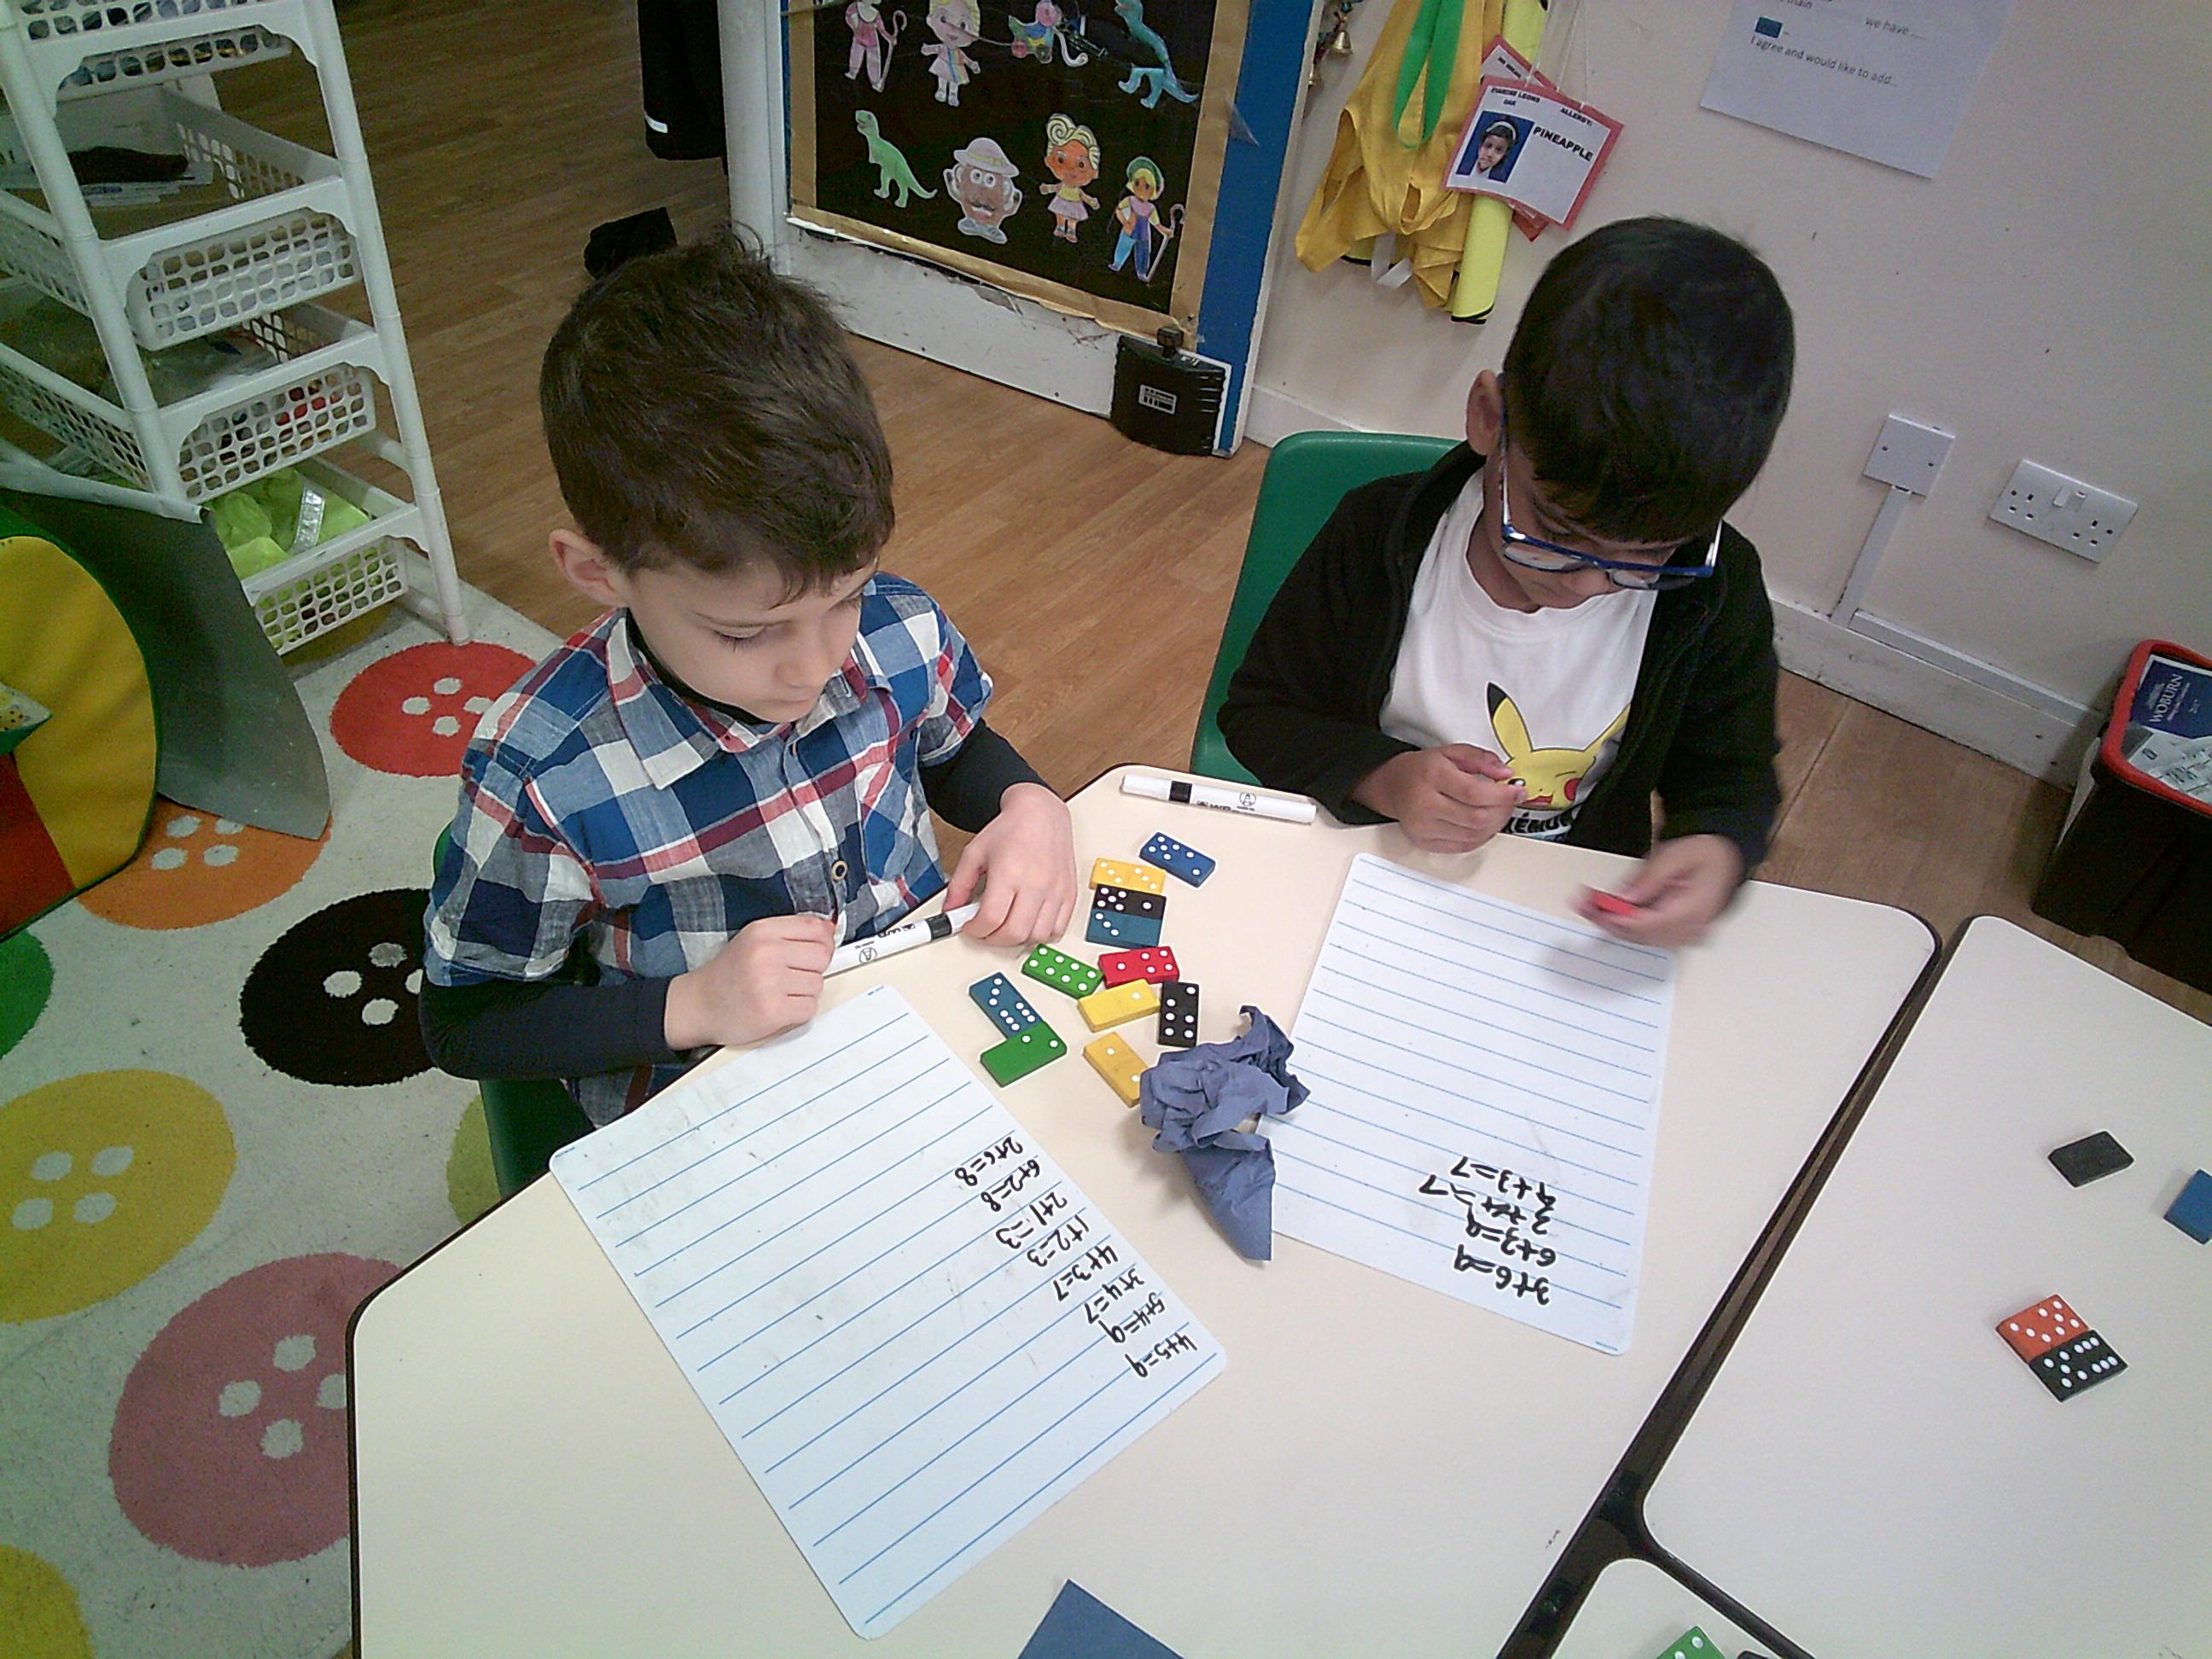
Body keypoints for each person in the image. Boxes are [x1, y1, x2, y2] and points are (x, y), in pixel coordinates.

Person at [420, 235, 1075, 1123]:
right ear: (598, 572)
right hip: (717, 1110)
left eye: (845, 596)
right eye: (744, 633)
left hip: (910, 1043)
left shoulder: (897, 627)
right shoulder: (542, 775)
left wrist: (1029, 805)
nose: (816, 664)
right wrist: (692, 1006)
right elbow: (464, 1023)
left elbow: (953, 752)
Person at [1219, 217, 1793, 946]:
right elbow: (1261, 713)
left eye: (1646, 557)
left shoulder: (1714, 589)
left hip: (1559, 914)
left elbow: (1731, 775)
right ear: (1490, 419)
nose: (1590, 585)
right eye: (1554, 534)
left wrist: (1716, 846)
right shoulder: (1377, 532)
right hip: (1362, 870)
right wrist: (1387, 779)